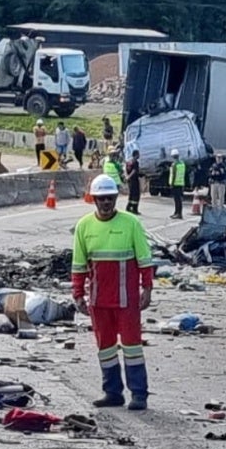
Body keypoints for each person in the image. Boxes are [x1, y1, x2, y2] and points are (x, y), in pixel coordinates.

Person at [71, 174, 153, 410]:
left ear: (116, 198)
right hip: (98, 301)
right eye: (101, 199)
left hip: (127, 300)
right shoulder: (84, 226)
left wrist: (147, 288)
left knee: (132, 347)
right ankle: (112, 392)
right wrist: (78, 294)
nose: (106, 203)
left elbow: (144, 260)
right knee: (105, 348)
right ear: (94, 200)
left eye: (110, 198)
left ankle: (139, 394)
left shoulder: (131, 224)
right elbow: (78, 265)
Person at [169, 149, 185, 219]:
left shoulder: (174, 164)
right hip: (181, 183)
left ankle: (178, 213)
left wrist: (172, 183)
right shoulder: (182, 163)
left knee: (176, 200)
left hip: (175, 184)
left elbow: (174, 174)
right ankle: (178, 213)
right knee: (179, 200)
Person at [125, 150, 141, 215]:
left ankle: (128, 207)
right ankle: (134, 209)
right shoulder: (136, 162)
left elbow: (125, 170)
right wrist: (129, 176)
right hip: (134, 180)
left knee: (131, 194)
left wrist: (127, 177)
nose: (139, 155)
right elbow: (134, 171)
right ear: (136, 155)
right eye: (138, 154)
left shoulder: (129, 162)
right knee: (136, 195)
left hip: (130, 181)